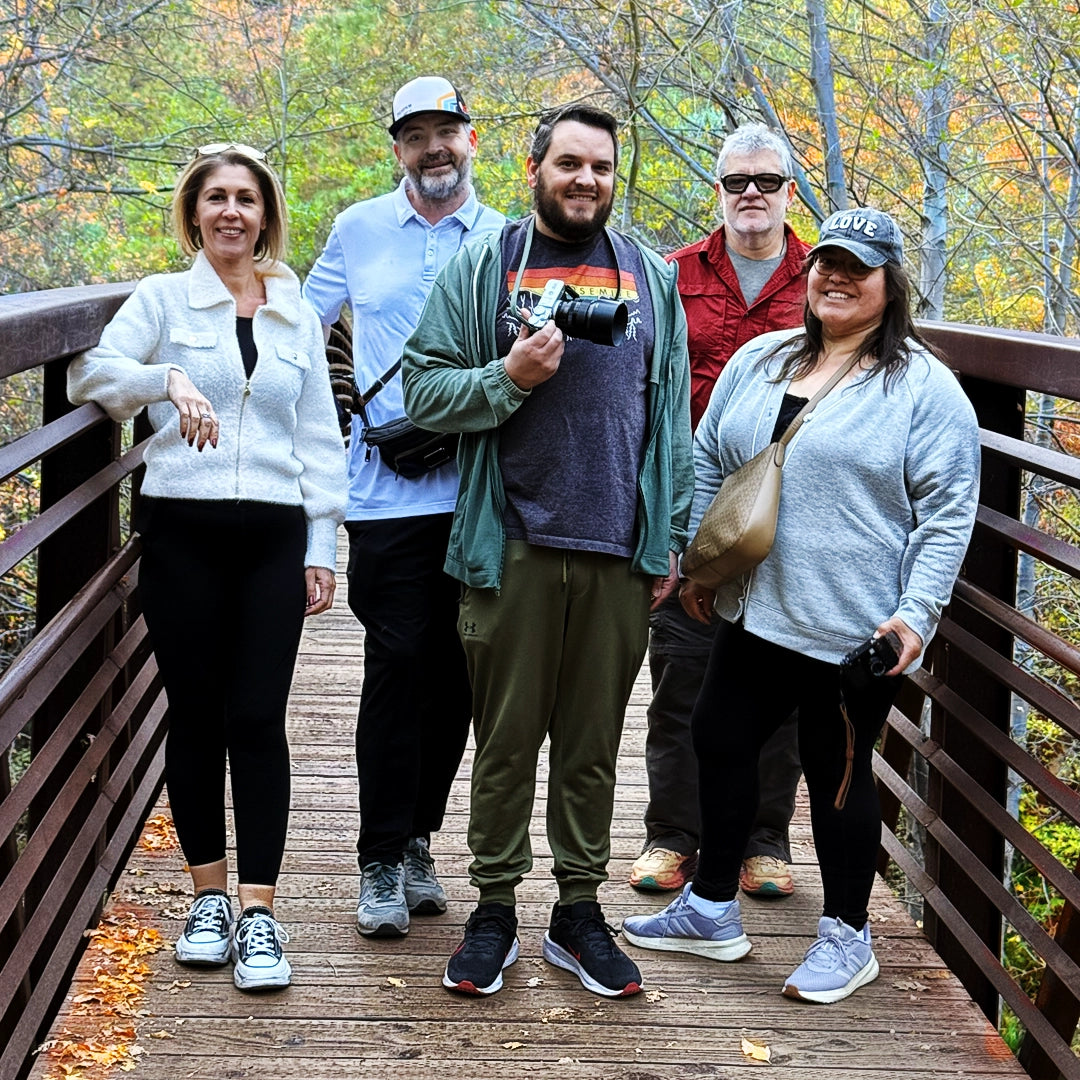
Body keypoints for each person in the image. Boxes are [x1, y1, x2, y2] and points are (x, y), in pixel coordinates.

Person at [622, 207, 980, 1004]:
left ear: (892, 285)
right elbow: (712, 455)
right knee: (719, 735)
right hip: (755, 610)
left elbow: (948, 512)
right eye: (826, 262)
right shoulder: (763, 358)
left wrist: (914, 617)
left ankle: (848, 937)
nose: (837, 277)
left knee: (837, 779)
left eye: (859, 266)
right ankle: (712, 906)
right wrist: (702, 563)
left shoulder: (924, 387)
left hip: (854, 629)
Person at [402, 104, 693, 999]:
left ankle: (577, 912)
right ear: (535, 169)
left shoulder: (650, 274)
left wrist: (668, 539)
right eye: (569, 164)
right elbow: (423, 387)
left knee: (592, 745)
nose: (585, 181)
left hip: (617, 548)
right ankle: (494, 910)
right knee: (506, 741)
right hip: (513, 544)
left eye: (601, 167)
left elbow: (670, 418)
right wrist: (507, 378)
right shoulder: (485, 265)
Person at [68, 143, 348, 991]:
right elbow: (92, 374)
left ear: (266, 215)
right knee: (194, 714)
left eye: (247, 200)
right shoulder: (162, 299)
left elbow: (318, 436)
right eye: (216, 198)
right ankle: (207, 898)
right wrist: (169, 377)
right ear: (194, 212)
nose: (232, 212)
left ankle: (260, 913)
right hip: (181, 531)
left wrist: (321, 545)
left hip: (270, 534)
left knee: (257, 717)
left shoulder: (294, 307)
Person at [302, 76, 504, 939]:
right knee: (396, 662)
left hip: (484, 491)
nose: (433, 148)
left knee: (460, 675)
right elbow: (293, 326)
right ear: (396, 148)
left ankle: (419, 835)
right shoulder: (357, 228)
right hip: (384, 493)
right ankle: (379, 854)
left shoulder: (506, 236)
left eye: (446, 131)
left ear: (471, 140)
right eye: (415, 134)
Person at [631, 122, 809, 899]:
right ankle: (674, 834)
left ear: (789, 193)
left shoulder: (825, 279)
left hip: (796, 515)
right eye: (737, 181)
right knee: (683, 675)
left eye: (767, 182)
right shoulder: (671, 276)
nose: (751, 195)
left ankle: (764, 840)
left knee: (783, 683)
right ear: (719, 189)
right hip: (693, 507)